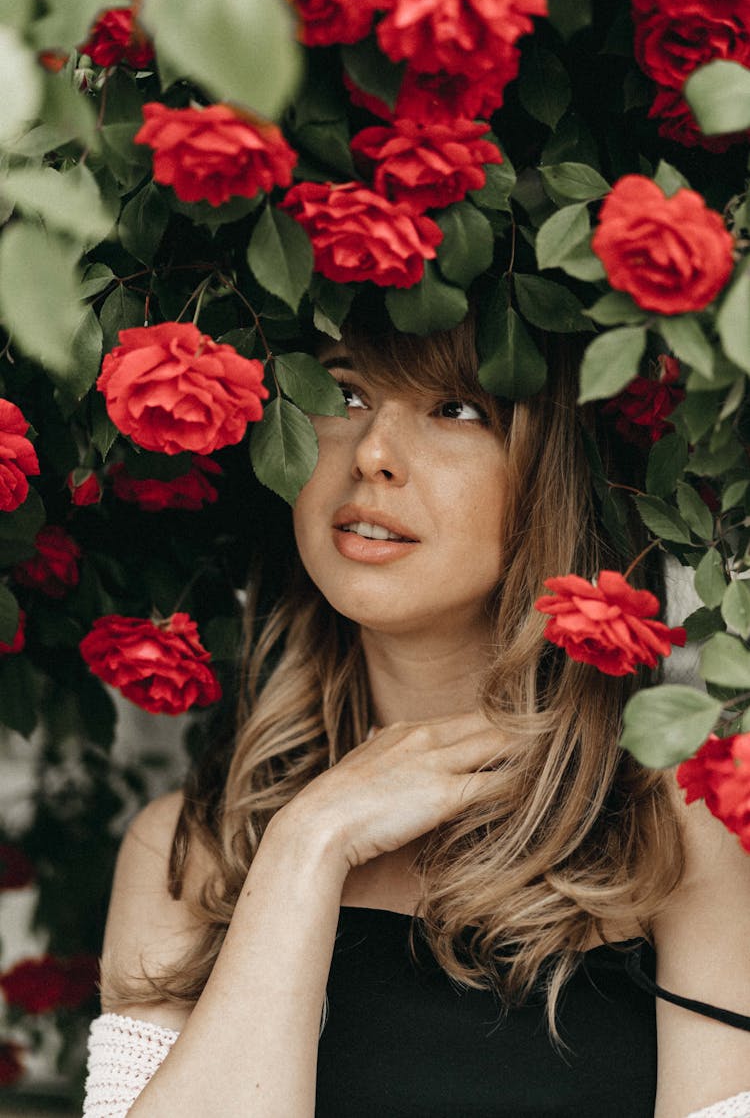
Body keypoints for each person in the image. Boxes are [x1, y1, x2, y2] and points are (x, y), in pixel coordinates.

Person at [83, 316, 750, 1117]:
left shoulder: (677, 827)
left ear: (556, 473)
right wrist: (308, 845)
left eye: (457, 408)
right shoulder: (189, 848)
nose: (371, 451)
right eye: (344, 390)